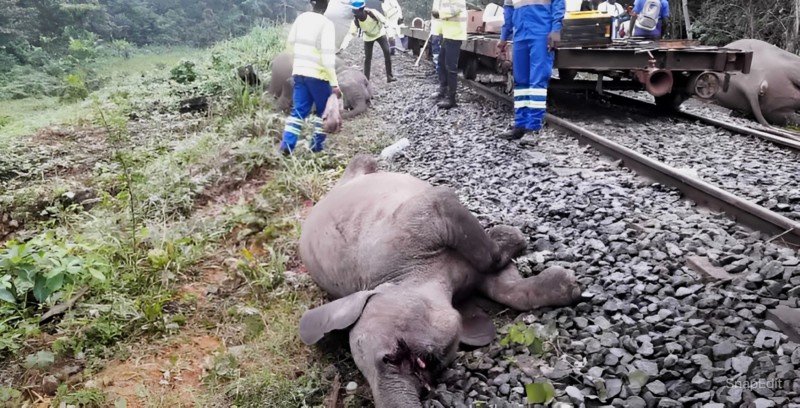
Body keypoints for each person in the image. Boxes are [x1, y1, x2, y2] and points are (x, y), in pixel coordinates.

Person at [497, 0, 566, 140]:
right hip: (520, 34)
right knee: (521, 81)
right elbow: (508, 12)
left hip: (542, 33)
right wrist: (503, 37)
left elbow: (558, 4)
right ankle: (520, 125)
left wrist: (555, 32)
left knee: (537, 81)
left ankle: (533, 128)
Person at [280, 0, 340, 154]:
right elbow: (327, 58)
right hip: (318, 76)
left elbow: (290, 44)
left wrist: (299, 63)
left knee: (297, 112)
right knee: (322, 113)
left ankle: (286, 145)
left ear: (313, 4)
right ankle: (316, 148)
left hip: (299, 72)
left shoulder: (301, 18)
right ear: (326, 7)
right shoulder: (326, 24)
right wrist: (334, 83)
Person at [341, 0, 396, 82]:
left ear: (361, 10)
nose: (355, 14)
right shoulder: (356, 20)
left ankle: (389, 76)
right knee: (367, 58)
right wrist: (342, 46)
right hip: (368, 37)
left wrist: (391, 36)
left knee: (387, 52)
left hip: (380, 33)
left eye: (356, 11)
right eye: (354, 12)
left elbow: (385, 22)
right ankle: (366, 80)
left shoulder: (372, 13)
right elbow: (351, 34)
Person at [432, 0, 467, 109]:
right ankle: (443, 90)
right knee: (441, 64)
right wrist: (437, 32)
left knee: (450, 68)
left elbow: (455, 9)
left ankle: (451, 99)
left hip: (455, 34)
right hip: (446, 33)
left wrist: (439, 13)